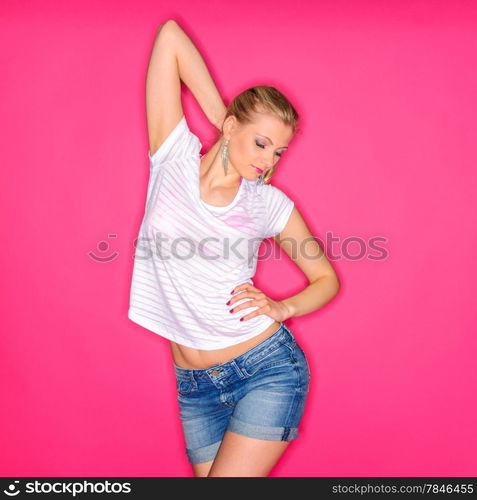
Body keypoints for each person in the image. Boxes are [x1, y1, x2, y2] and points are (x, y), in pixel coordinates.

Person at [128, 19, 340, 477]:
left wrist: (283, 308)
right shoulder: (172, 155)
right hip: (193, 385)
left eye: (278, 152)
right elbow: (169, 37)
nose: (267, 160)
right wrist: (223, 112)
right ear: (230, 126)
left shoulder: (267, 203)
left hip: (265, 370)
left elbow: (327, 280)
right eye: (260, 142)